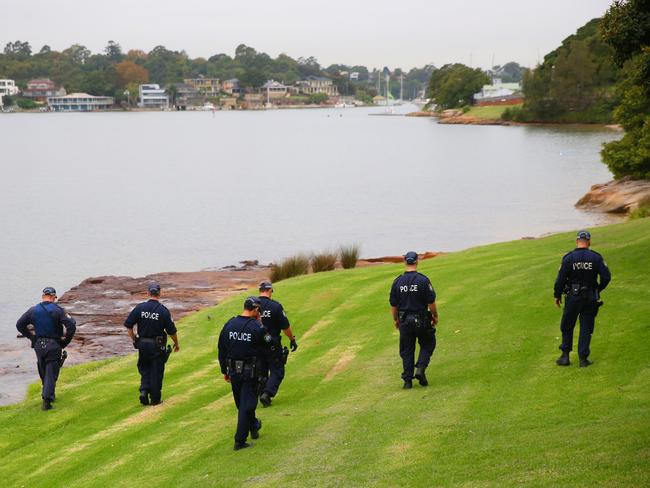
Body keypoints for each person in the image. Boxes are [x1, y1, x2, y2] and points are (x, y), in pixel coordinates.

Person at [218, 296, 271, 450]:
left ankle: (253, 426)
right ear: (256, 310)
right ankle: (239, 441)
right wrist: (262, 326)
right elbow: (269, 342)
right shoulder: (257, 327)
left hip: (234, 371)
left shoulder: (229, 324)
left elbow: (222, 349)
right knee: (246, 406)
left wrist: (224, 370)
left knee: (243, 404)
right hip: (250, 372)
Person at [554, 230, 611, 367]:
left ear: (577, 241)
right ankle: (583, 359)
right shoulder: (596, 258)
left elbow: (560, 280)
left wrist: (557, 295)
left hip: (572, 297)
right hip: (590, 297)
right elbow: (606, 277)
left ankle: (565, 356)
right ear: (589, 241)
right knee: (586, 327)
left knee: (567, 326)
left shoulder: (568, 258)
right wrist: (597, 289)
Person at [15, 287, 77, 411]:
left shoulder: (33, 310)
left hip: (39, 345)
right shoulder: (58, 310)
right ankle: (47, 400)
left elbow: (19, 325)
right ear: (53, 297)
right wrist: (64, 342)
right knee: (51, 371)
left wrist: (32, 337)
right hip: (53, 344)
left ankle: (49, 394)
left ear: (43, 296)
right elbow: (71, 326)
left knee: (43, 370)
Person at [124, 283, 179, 406]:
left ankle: (144, 390)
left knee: (144, 368)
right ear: (159, 294)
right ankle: (155, 399)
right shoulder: (163, 311)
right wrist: (176, 343)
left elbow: (128, 326)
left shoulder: (139, 308)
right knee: (156, 370)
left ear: (148, 293)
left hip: (142, 344)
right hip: (157, 346)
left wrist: (135, 340)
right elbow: (172, 331)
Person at [389, 252, 439, 389]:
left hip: (404, 321)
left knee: (407, 350)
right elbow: (431, 302)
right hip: (421, 320)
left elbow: (393, 305)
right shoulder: (423, 280)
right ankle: (421, 368)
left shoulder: (397, 282)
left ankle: (407, 381)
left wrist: (396, 320)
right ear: (417, 261)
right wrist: (435, 316)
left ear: (404, 262)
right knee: (428, 343)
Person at [257, 280, 298, 408]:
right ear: (270, 291)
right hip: (272, 344)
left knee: (261, 370)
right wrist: (292, 339)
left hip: (256, 344)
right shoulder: (275, 306)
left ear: (260, 291)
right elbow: (286, 327)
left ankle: (260, 392)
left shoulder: (252, 305)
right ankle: (267, 394)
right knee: (277, 370)